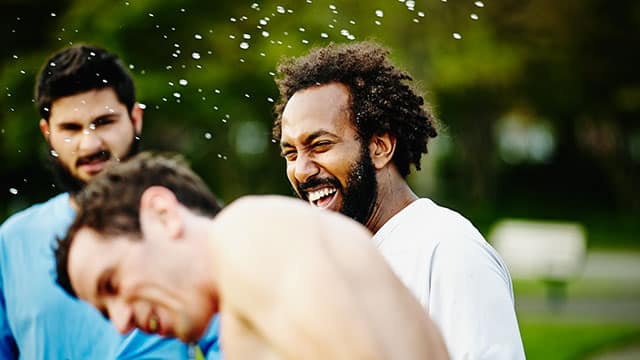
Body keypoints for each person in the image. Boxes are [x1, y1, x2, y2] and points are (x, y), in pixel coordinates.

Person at [54, 152, 450, 360]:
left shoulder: (244, 233)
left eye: (113, 285)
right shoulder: (246, 288)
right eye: (107, 312)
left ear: (161, 215)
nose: (122, 323)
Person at [273, 41, 526, 359]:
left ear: (380, 147)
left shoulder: (448, 252)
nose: (302, 170)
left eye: (320, 145)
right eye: (291, 153)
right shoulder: (331, 261)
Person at [0, 44, 219, 359]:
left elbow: (231, 341)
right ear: (47, 133)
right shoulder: (12, 241)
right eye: (70, 128)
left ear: (135, 118)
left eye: (104, 122)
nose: (89, 143)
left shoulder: (175, 223)